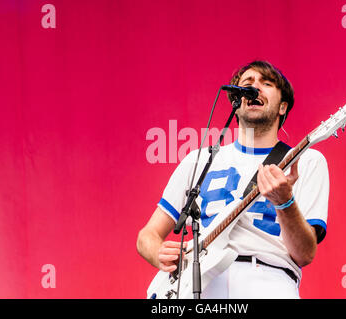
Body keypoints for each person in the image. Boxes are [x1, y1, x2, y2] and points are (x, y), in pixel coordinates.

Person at [136, 60, 329, 299]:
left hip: (269, 281)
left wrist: (284, 202)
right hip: (201, 284)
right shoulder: (198, 160)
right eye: (247, 83)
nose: (254, 87)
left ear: (282, 107)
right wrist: (159, 254)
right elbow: (147, 236)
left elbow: (305, 254)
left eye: (266, 83)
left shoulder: (306, 160)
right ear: (236, 103)